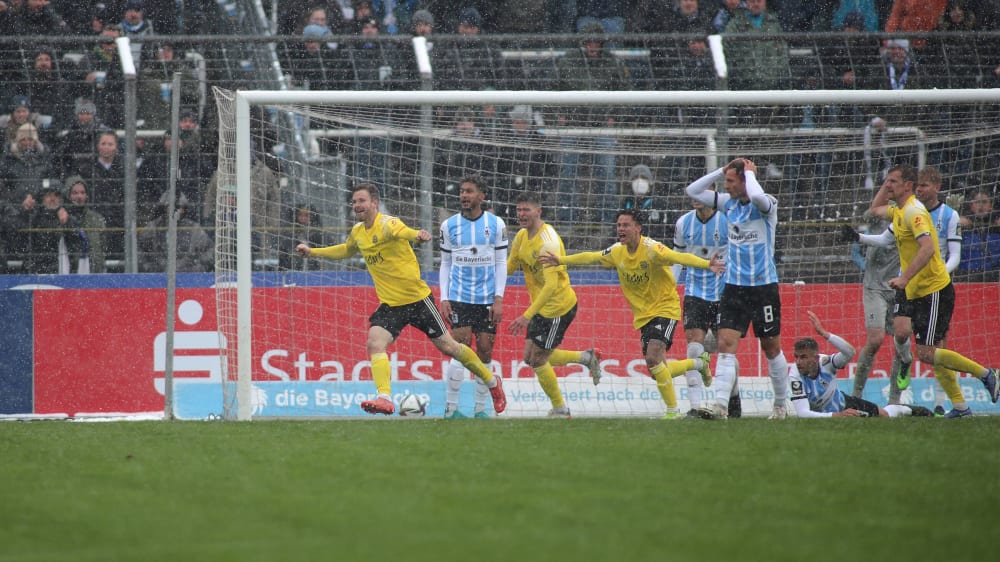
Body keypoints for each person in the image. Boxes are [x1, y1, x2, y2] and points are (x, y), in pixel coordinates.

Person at [295, 183, 507, 416]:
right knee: (374, 343)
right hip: (391, 305)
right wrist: (313, 252)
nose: (357, 205)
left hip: (417, 300)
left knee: (451, 347)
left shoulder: (388, 223)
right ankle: (384, 397)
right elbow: (346, 250)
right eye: (354, 201)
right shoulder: (358, 232)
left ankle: (491, 382)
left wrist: (417, 235)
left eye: (362, 201)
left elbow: (403, 231)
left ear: (374, 203)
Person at [540, 207, 720, 419]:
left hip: (665, 308)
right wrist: (561, 260)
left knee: (653, 359)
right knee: (658, 368)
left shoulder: (652, 249)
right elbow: (591, 257)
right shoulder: (617, 251)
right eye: (618, 225)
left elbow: (679, 257)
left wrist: (707, 264)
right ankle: (700, 363)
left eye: (625, 225)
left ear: (638, 228)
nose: (621, 229)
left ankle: (673, 412)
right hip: (643, 316)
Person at [868, 164, 999, 417]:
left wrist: (905, 277)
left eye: (893, 182)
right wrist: (885, 186)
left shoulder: (915, 212)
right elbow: (874, 210)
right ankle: (959, 405)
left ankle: (985, 375)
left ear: (908, 185)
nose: (888, 186)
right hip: (913, 288)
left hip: (933, 288)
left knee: (930, 352)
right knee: (907, 336)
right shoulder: (899, 209)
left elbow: (928, 249)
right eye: (887, 182)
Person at [852, 167, 964, 414]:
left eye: (924, 185)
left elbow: (941, 252)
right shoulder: (902, 211)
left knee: (932, 348)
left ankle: (943, 402)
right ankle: (856, 397)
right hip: (897, 283)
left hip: (927, 284)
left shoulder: (940, 214)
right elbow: (882, 234)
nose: (921, 189)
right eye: (919, 185)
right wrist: (858, 237)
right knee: (895, 336)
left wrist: (939, 277)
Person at [685, 158, 790, 420]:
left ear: (745, 182)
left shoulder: (767, 205)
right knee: (725, 343)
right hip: (734, 287)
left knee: (771, 347)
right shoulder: (727, 204)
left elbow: (756, 197)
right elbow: (693, 191)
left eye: (731, 181)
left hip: (763, 287)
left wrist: (751, 175)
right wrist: (722, 170)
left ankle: (780, 404)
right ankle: (720, 405)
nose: (726, 186)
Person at [506, 191, 602, 418]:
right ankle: (586, 358)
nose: (521, 214)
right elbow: (509, 268)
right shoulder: (521, 236)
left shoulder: (547, 242)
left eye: (526, 209)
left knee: (539, 359)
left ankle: (560, 409)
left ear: (538, 211)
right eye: (519, 210)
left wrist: (527, 315)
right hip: (541, 307)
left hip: (558, 307)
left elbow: (550, 286)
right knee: (529, 358)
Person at [438, 175, 508, 418]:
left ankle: (481, 410)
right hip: (460, 296)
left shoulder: (496, 224)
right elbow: (445, 264)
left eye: (469, 191)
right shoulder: (449, 226)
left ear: (482, 196)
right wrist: (444, 298)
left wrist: (499, 299)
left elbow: (501, 262)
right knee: (461, 348)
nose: (464, 196)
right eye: (461, 191)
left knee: (485, 351)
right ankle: (451, 408)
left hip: (488, 298)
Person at [789, 311, 934, 418]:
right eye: (796, 357)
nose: (798, 362)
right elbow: (802, 413)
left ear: (815, 358)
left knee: (884, 415)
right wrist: (836, 416)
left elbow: (849, 353)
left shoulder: (826, 363)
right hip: (829, 414)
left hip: (844, 402)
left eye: (803, 357)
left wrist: (825, 334)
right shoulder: (795, 375)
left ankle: (910, 410)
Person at [673, 197, 740, 417]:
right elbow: (677, 258)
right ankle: (695, 407)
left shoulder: (727, 220)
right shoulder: (683, 223)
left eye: (701, 193)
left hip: (724, 292)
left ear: (712, 195)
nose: (695, 198)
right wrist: (671, 287)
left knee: (725, 349)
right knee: (694, 347)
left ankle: (732, 398)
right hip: (695, 293)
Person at [839, 212, 905, 403]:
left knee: (901, 342)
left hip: (899, 286)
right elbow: (873, 210)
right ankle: (856, 396)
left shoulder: (910, 218)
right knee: (875, 339)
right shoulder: (879, 218)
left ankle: (894, 401)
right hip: (875, 287)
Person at [137, 192, 214, 273]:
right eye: (171, 207)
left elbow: (210, 251)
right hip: (158, 278)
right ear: (164, 208)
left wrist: (198, 268)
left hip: (188, 277)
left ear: (184, 209)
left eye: (179, 207)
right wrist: (152, 269)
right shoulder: (153, 227)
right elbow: (140, 252)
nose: (176, 211)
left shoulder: (194, 228)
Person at [64, 176, 107, 274]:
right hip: (68, 277)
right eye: (75, 193)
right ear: (68, 195)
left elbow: (103, 247)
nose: (79, 196)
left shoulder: (96, 219)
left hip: (94, 275)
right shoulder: (62, 219)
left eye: (82, 192)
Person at [620, 164, 670, 242]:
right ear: (631, 182)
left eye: (643, 178)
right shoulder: (625, 202)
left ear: (649, 182)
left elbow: (667, 231)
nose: (639, 181)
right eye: (636, 178)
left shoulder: (659, 203)